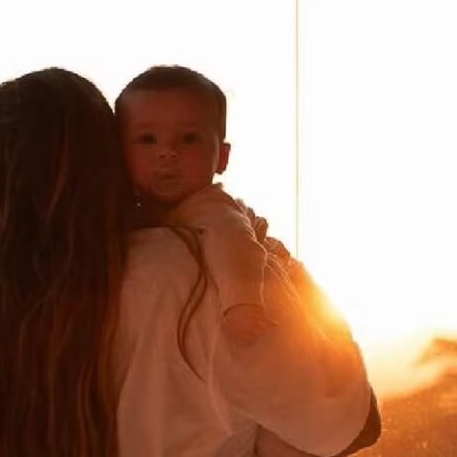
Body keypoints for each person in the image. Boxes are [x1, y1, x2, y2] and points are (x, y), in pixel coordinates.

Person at [0, 67, 379, 457]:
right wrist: (279, 264)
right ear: (109, 160)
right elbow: (353, 424)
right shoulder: (196, 275)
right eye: (142, 140)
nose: (162, 153)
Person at [114, 64, 381, 455]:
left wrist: (241, 303)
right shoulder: (149, 233)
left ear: (221, 157)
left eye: (188, 139)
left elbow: (239, 249)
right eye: (147, 140)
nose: (167, 152)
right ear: (120, 154)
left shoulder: (211, 211)